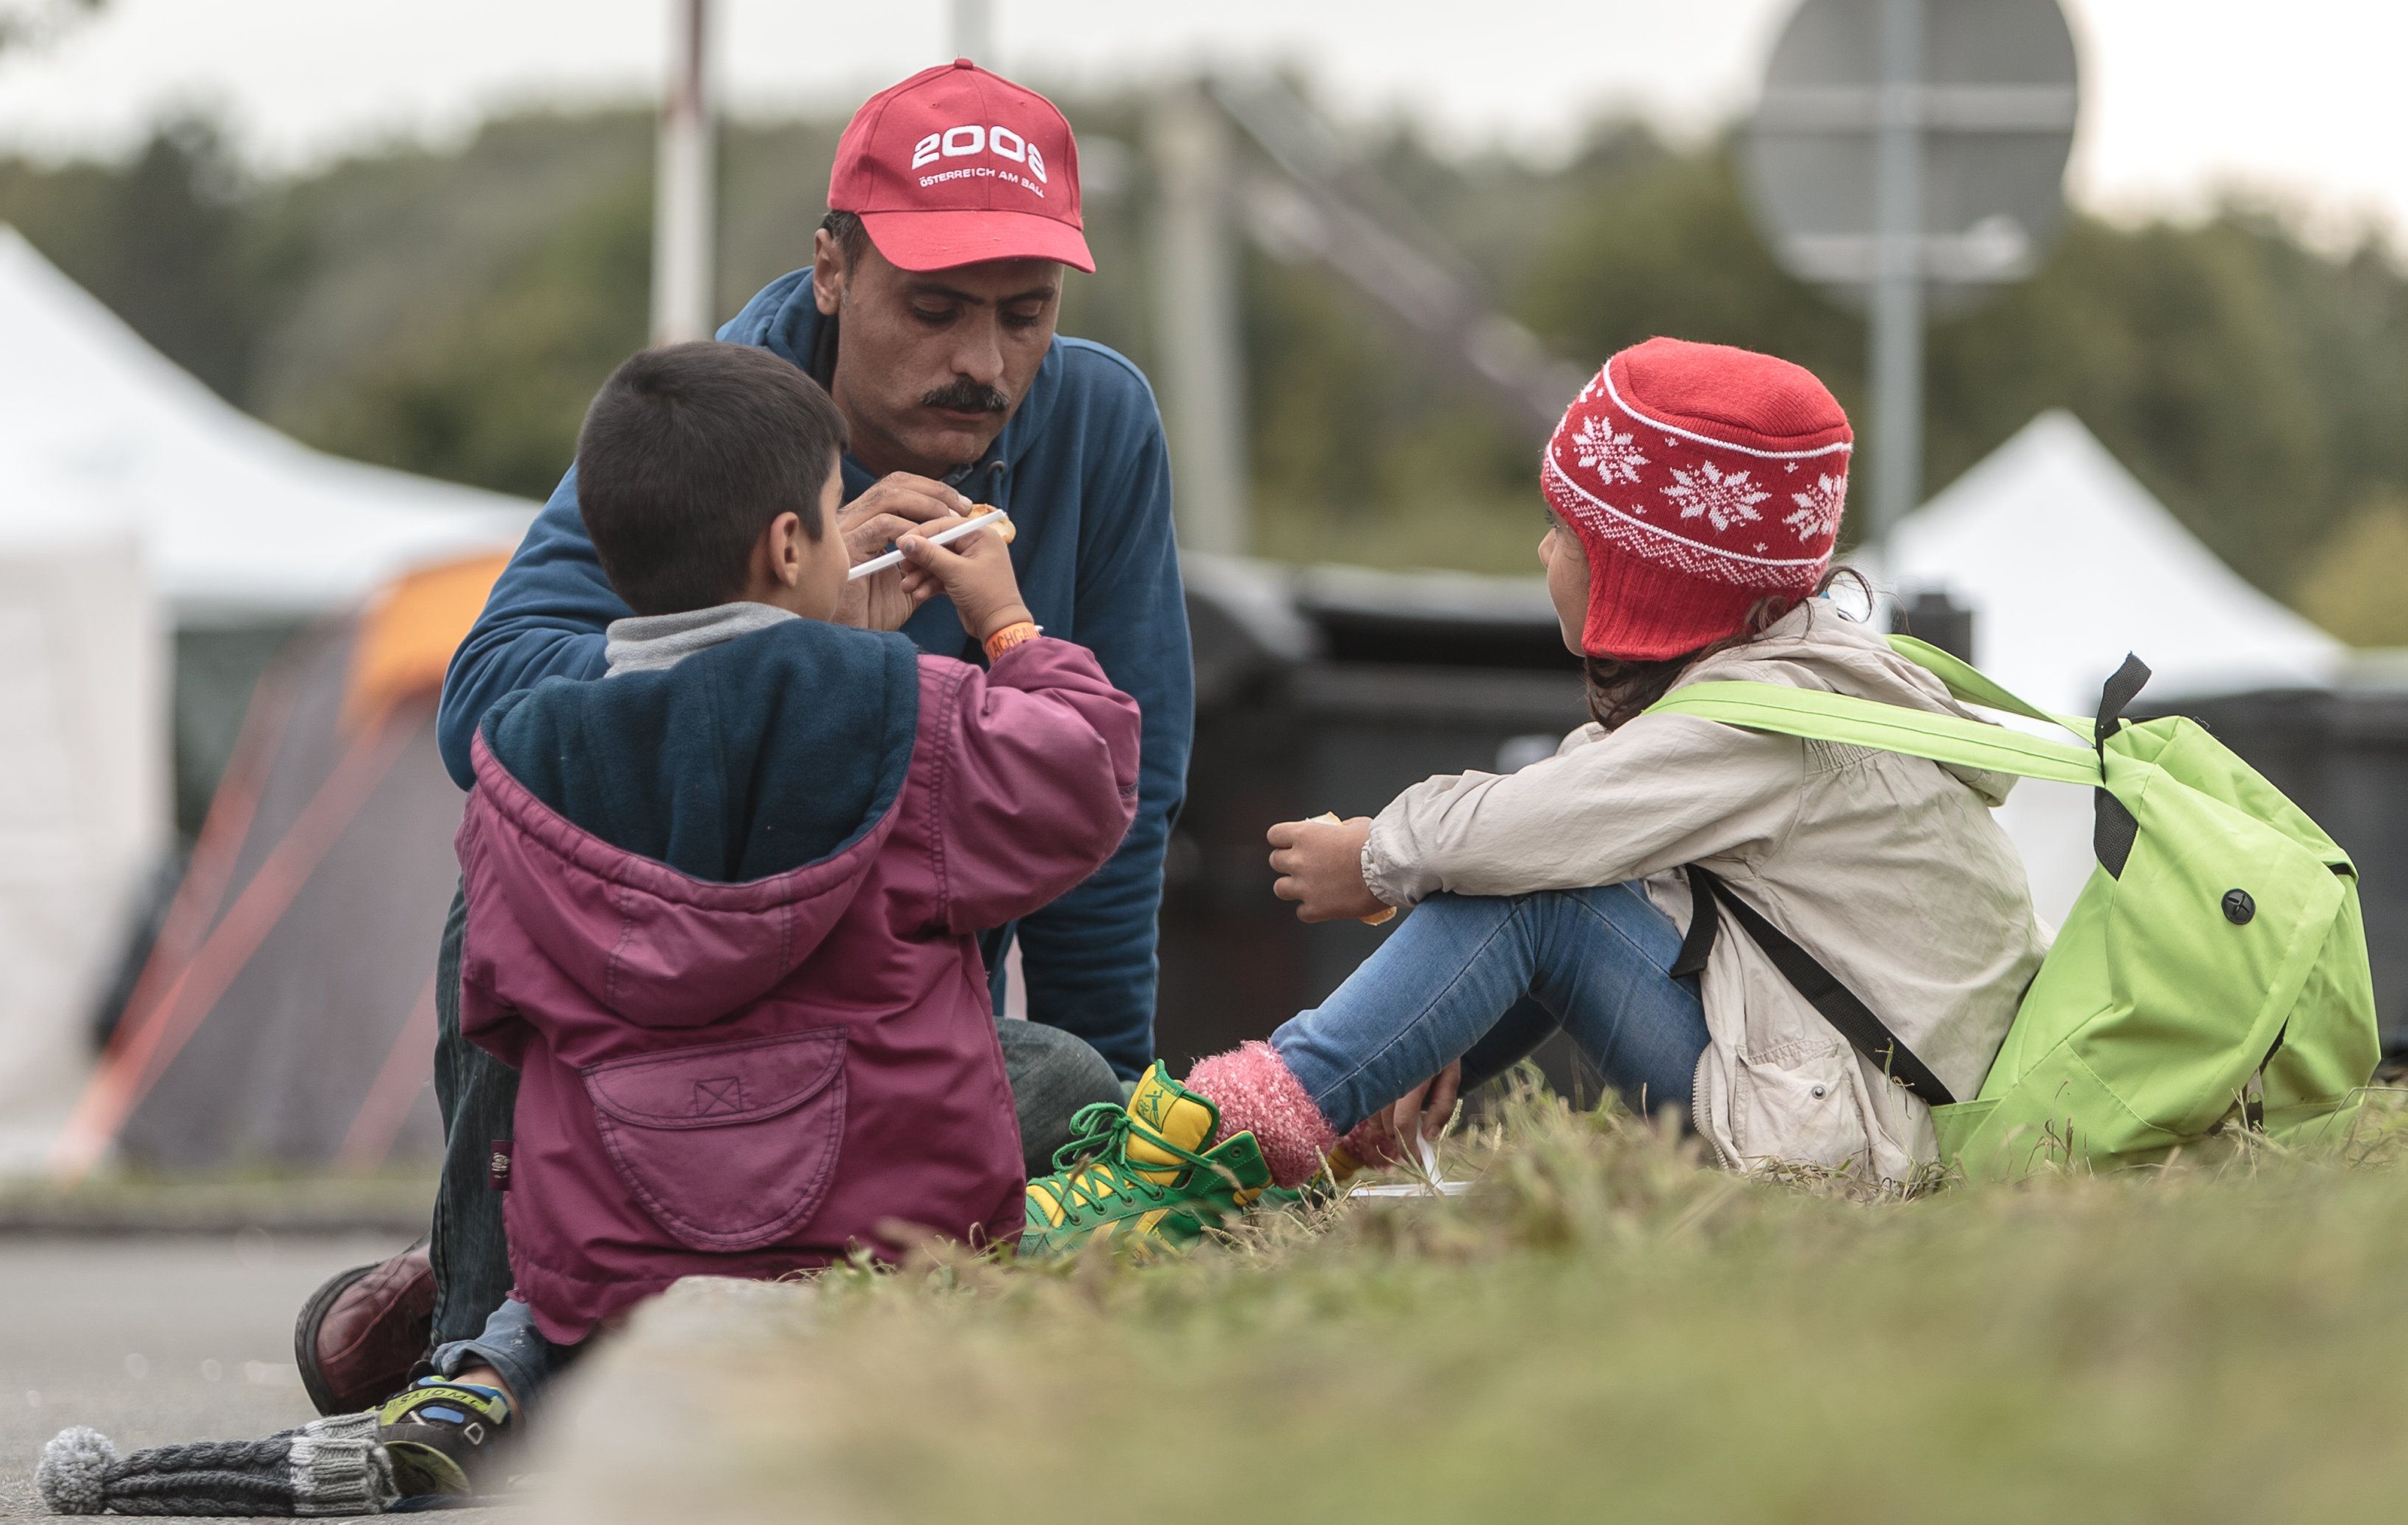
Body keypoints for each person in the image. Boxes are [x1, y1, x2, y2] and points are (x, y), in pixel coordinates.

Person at [295, 59, 1192, 1410]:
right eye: (934, 309)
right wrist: (801, 644)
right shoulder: (716, 413)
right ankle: (479, 1342)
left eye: (1028, 316)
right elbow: (490, 703)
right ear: (830, 271)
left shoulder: (1101, 420)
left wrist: (1113, 1190)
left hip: (886, 1060)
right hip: (651, 1060)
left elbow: (1122, 811)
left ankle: (570, 1258)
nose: (984, 365)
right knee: (496, 881)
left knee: (1072, 1084)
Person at [1023, 337, 2049, 1251]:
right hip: (1864, 1099)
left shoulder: (1755, 723)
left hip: (1852, 1145)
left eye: (1568, 529)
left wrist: (1374, 854)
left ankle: (1201, 1157)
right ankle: (1322, 1127)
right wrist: (1444, 1035)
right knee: (1533, 881)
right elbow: (1579, 812)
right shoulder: (1792, 676)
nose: (1544, 550)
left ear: (1648, 573)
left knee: (1537, 889)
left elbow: (1531, 830)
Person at [373, 340, 1140, 1497]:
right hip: (871, 1224)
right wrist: (1011, 629)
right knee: (1074, 1080)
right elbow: (1086, 782)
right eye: (840, 515)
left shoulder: (525, 761)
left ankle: (487, 1349)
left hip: (615, 1243)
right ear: (791, 547)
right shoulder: (916, 717)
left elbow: (491, 1016)